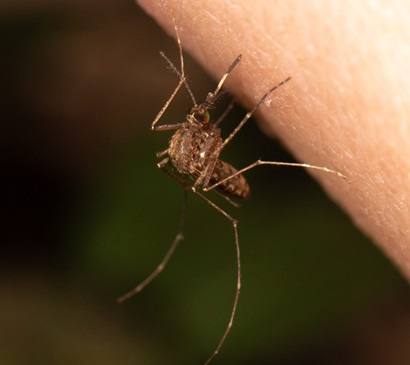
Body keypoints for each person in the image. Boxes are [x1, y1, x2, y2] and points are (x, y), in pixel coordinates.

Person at [137, 0, 410, 280]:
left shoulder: (185, 134)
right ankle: (260, 111)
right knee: (253, 161)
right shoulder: (191, 141)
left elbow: (186, 144)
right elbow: (201, 154)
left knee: (191, 158)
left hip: (200, 165)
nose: (201, 116)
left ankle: (243, 120)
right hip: (213, 174)